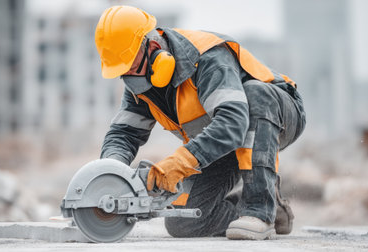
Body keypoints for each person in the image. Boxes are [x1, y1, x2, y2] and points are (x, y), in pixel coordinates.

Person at [95, 5, 305, 240]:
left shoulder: (207, 58)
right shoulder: (140, 82)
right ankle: (268, 206)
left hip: (277, 115)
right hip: (220, 142)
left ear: (153, 47)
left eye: (131, 66)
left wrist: (178, 162)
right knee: (184, 222)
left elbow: (233, 123)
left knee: (254, 94)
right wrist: (109, 174)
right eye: (123, 72)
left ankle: (259, 210)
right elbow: (123, 134)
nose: (130, 78)